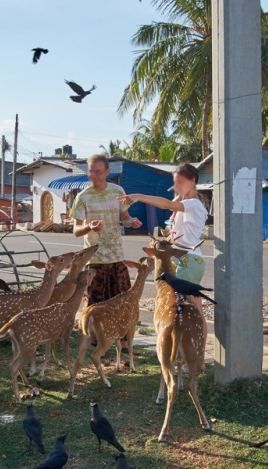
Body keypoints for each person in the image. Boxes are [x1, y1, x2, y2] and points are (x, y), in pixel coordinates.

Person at [117, 163, 209, 372]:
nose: (175, 185)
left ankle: (195, 360)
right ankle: (191, 358)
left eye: (180, 182)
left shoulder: (193, 204)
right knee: (192, 310)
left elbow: (167, 204)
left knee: (191, 311)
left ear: (192, 181)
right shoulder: (186, 202)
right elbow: (172, 205)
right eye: (174, 182)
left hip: (188, 260)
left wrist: (139, 196)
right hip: (182, 260)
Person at [72, 154, 143, 350]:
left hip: (116, 257)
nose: (93, 175)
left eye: (97, 171)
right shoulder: (82, 197)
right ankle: (94, 345)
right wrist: (89, 228)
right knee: (93, 308)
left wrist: (132, 222)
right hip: (94, 260)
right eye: (90, 171)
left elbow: (125, 218)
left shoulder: (118, 191)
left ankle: (125, 345)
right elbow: (76, 231)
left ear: (107, 172)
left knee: (122, 305)